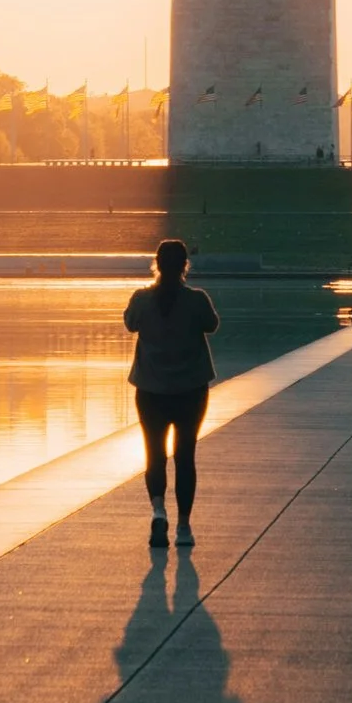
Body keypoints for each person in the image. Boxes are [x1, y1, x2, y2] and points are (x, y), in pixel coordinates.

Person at [122, 236, 219, 551]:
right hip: (190, 389)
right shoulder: (196, 300)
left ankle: (159, 509)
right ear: (185, 267)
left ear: (157, 265)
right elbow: (212, 325)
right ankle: (184, 527)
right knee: (185, 456)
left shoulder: (141, 300)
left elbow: (130, 325)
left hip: (151, 390)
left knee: (154, 454)